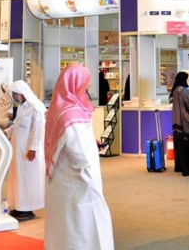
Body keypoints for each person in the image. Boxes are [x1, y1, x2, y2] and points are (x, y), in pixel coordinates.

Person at [44, 64, 114, 250]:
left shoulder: (59, 110)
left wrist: (92, 142)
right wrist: (92, 182)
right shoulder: (71, 113)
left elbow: (66, 143)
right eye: (85, 86)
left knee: (63, 230)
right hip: (78, 184)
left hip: (61, 183)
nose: (87, 89)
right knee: (83, 230)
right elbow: (80, 155)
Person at [5, 80, 46, 222]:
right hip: (18, 149)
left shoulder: (36, 107)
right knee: (18, 177)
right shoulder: (23, 107)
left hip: (29, 150)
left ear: (22, 93)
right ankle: (19, 205)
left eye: (15, 93)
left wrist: (33, 148)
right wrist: (6, 132)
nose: (14, 96)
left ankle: (27, 208)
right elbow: (16, 124)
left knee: (28, 177)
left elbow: (38, 130)